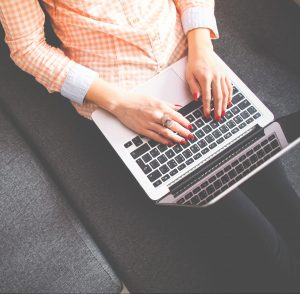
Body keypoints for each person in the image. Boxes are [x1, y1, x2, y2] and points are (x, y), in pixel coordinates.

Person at [0, 0, 299, 291]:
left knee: (283, 202)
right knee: (259, 245)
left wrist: (202, 49)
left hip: (192, 69)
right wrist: (121, 103)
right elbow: (28, 48)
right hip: (127, 102)